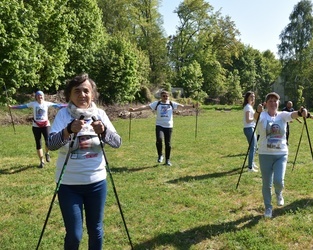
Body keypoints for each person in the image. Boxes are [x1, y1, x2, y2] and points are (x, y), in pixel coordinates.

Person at [48, 73, 122, 249]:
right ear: (69, 95)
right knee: (74, 234)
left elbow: (117, 142)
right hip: (68, 185)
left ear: (93, 94)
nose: (82, 95)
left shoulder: (100, 114)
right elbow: (51, 145)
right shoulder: (63, 115)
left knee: (96, 230)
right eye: (77, 91)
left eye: (86, 91)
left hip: (96, 183)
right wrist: (67, 130)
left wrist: (103, 132)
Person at [255, 92, 307, 218]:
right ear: (266, 104)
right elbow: (254, 118)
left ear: (278, 103)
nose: (273, 103)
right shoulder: (262, 115)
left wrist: (301, 112)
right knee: (266, 183)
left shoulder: (283, 115)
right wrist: (257, 110)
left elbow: (293, 115)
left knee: (278, 180)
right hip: (264, 153)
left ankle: (279, 193)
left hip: (281, 153)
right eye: (270, 101)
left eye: (275, 101)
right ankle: (268, 208)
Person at [129, 90, 198, 166]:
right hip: (159, 125)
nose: (165, 97)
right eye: (163, 96)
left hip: (169, 126)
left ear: (168, 96)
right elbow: (146, 107)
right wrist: (134, 110)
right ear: (161, 97)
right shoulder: (157, 103)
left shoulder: (171, 103)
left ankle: (167, 160)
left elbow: (182, 106)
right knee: (159, 139)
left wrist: (193, 106)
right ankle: (160, 155)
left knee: (168, 144)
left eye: (166, 96)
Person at [9, 91, 66, 168]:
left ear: (43, 96)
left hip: (46, 125)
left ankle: (47, 153)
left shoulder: (46, 103)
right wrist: (12, 107)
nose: (40, 97)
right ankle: (41, 161)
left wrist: (68, 105)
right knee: (38, 144)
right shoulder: (33, 104)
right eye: (38, 96)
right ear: (36, 97)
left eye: (41, 95)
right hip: (36, 126)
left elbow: (57, 105)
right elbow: (23, 106)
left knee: (48, 141)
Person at [242, 91, 258, 172]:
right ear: (247, 97)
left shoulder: (250, 106)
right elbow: (248, 120)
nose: (253, 98)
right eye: (251, 96)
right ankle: (250, 167)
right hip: (249, 128)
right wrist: (255, 118)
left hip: (251, 128)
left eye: (254, 96)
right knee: (252, 147)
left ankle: (252, 162)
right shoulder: (248, 107)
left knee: (255, 147)